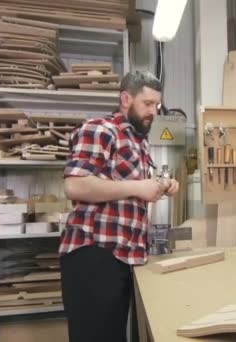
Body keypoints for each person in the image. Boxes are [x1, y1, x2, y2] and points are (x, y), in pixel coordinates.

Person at [59, 70, 179, 342]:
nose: (154, 112)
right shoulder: (100, 129)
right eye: (147, 104)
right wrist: (139, 188)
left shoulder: (138, 142)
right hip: (95, 254)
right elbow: (75, 185)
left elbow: (131, 188)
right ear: (126, 99)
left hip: (124, 257)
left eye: (156, 105)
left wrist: (164, 185)